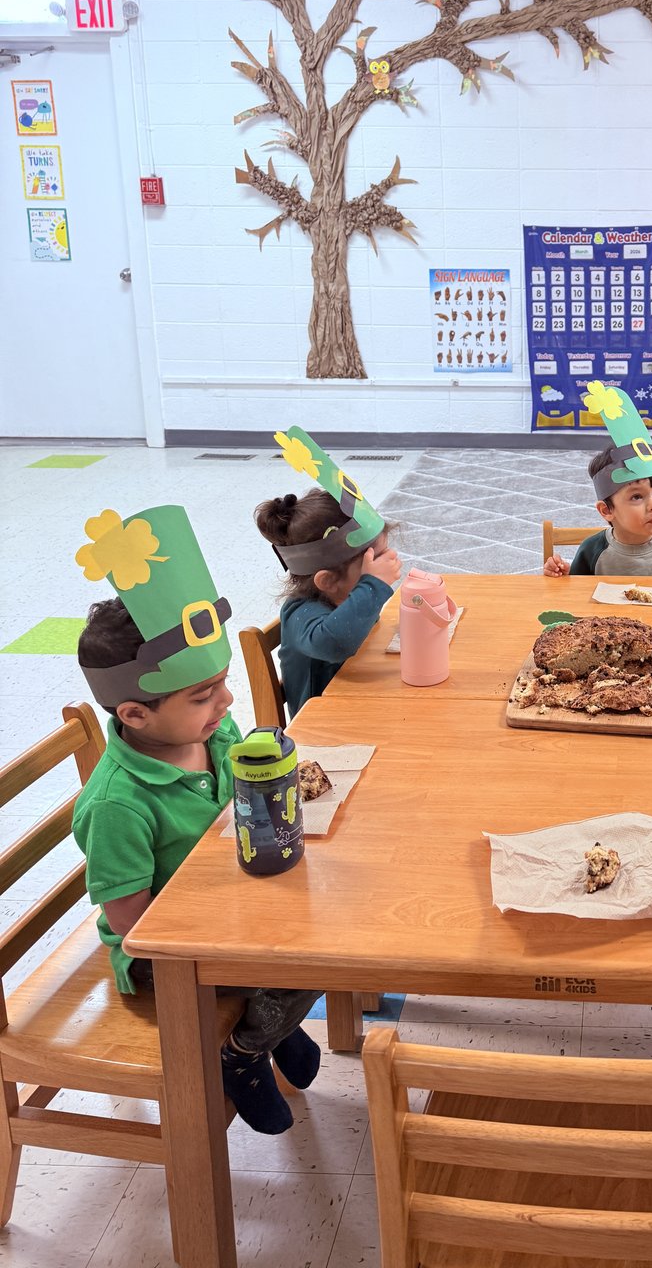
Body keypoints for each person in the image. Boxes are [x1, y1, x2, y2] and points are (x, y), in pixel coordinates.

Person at [72, 503, 321, 1135]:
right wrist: (231, 918)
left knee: (336, 926)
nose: (227, 703)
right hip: (165, 951)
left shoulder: (210, 735)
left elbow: (242, 785)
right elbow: (132, 922)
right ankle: (241, 1051)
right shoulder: (117, 805)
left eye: (222, 684)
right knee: (305, 959)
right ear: (134, 715)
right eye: (202, 696)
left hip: (227, 900)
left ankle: (267, 1018)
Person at [260, 426, 401, 715]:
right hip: (324, 730)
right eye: (376, 560)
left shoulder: (344, 595)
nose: (389, 561)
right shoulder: (302, 613)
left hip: (359, 703)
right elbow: (336, 643)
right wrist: (373, 586)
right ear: (326, 580)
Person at [543, 381, 652, 578]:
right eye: (637, 497)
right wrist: (563, 576)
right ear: (607, 510)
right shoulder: (592, 550)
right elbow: (575, 595)